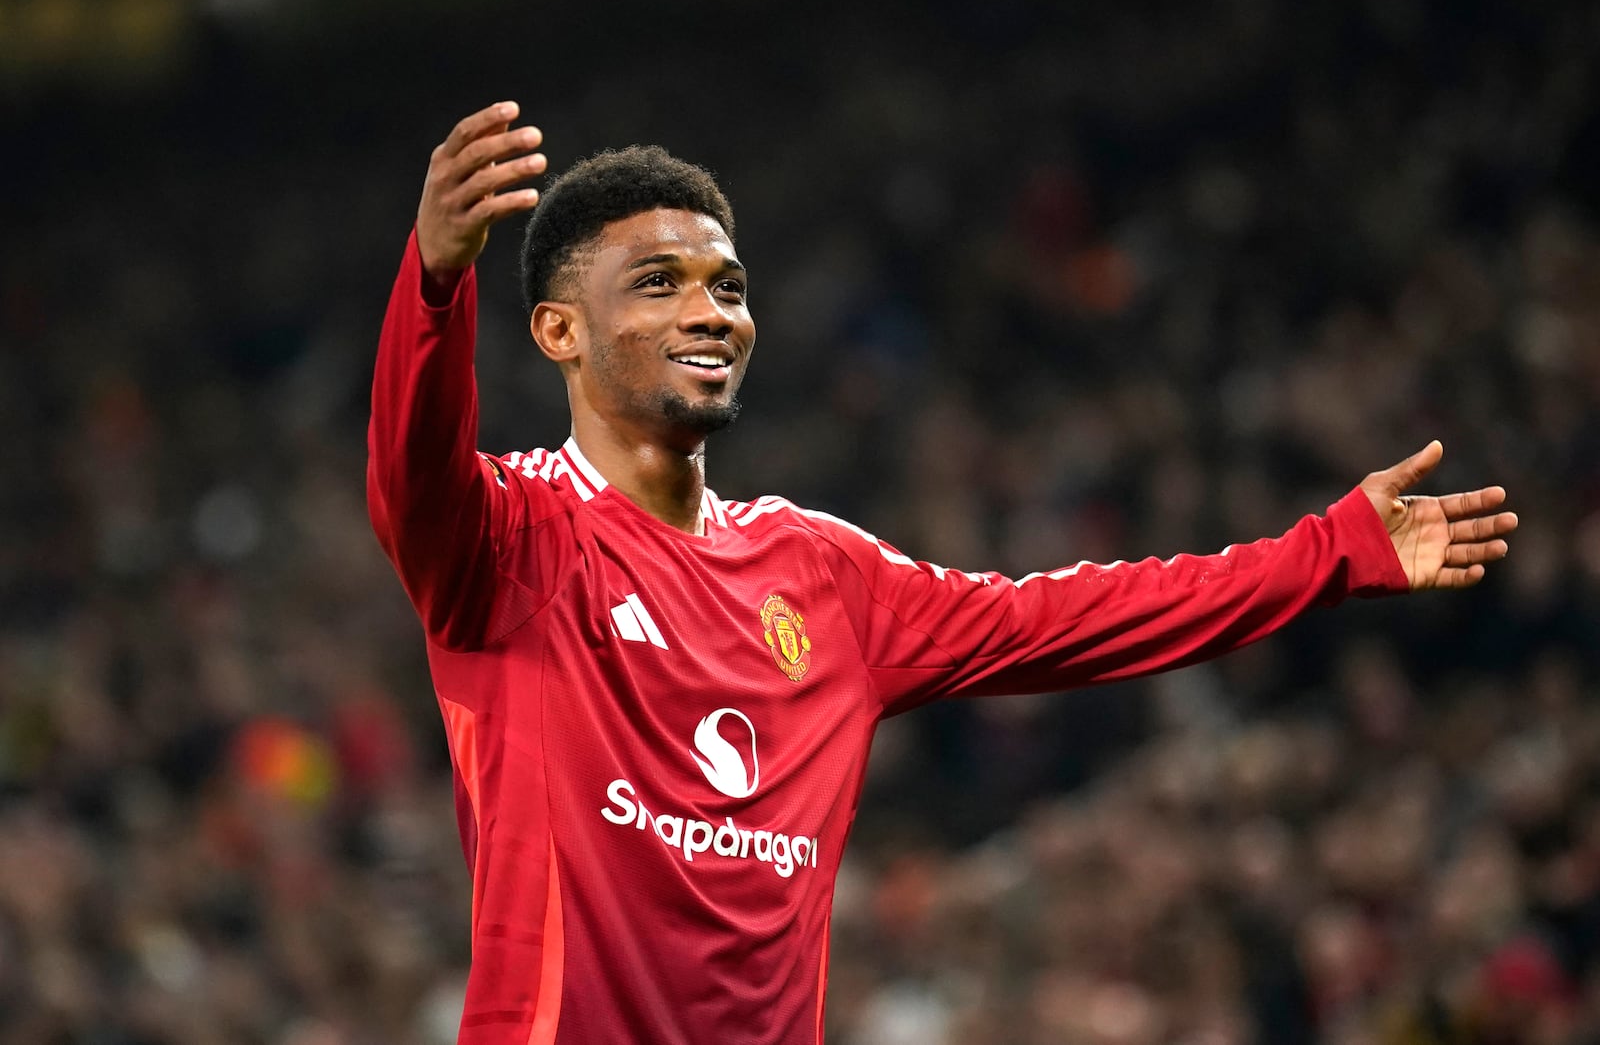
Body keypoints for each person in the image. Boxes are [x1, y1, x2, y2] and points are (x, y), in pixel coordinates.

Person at [366, 101, 1518, 1045]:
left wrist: (1331, 552)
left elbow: (1075, 615)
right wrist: (433, 285)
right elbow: (414, 470)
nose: (711, 311)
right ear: (560, 331)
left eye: (727, 283)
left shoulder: (822, 572)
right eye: (657, 282)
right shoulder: (510, 539)